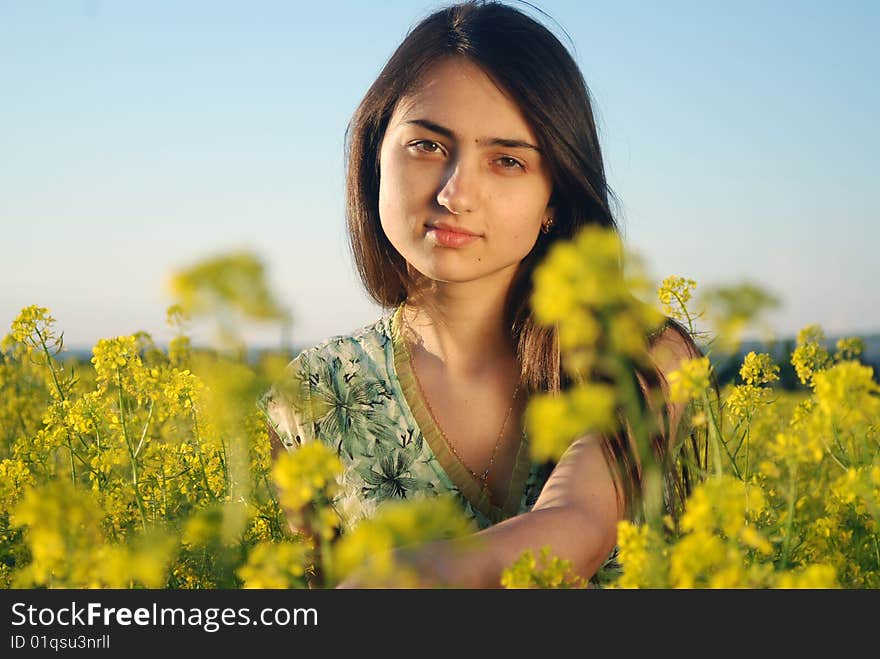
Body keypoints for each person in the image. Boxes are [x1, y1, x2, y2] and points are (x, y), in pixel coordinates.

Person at [259, 0, 705, 588]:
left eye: (506, 161)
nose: (456, 193)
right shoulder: (312, 395)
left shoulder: (642, 355)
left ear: (554, 199)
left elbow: (579, 527)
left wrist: (399, 579)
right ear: (373, 160)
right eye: (428, 146)